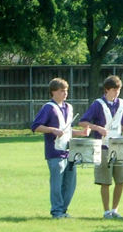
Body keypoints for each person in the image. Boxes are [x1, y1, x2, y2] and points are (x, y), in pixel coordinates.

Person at [79, 75, 123, 219]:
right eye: (114, 90)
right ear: (106, 90)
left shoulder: (122, 104)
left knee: (121, 180)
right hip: (104, 147)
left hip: (119, 147)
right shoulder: (97, 104)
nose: (117, 93)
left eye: (118, 90)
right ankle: (106, 211)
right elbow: (83, 122)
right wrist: (98, 128)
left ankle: (115, 209)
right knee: (105, 181)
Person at [31, 78, 90, 219]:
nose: (65, 94)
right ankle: (56, 211)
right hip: (55, 152)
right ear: (53, 92)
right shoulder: (48, 108)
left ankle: (63, 210)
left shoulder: (68, 108)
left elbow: (67, 130)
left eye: (66, 91)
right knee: (57, 184)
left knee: (70, 184)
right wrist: (52, 130)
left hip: (69, 151)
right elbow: (36, 126)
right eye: (62, 91)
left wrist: (80, 133)